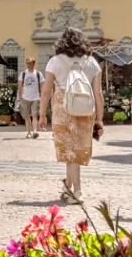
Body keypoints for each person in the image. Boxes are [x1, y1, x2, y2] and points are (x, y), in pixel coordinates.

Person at [42, 27, 102, 205]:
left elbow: (46, 91)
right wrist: (99, 119)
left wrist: (42, 113)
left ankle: (77, 191)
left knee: (71, 154)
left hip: (63, 110)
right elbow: (98, 93)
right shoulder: (92, 63)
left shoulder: (55, 61)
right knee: (75, 152)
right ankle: (68, 187)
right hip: (85, 111)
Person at [16, 61, 46, 139]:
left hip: (35, 98)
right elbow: (19, 86)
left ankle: (35, 131)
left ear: (34, 64)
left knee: (34, 115)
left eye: (30, 63)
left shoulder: (38, 74)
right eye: (27, 63)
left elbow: (43, 85)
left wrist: (42, 96)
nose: (28, 65)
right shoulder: (23, 74)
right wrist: (20, 98)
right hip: (25, 98)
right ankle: (28, 132)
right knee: (27, 117)